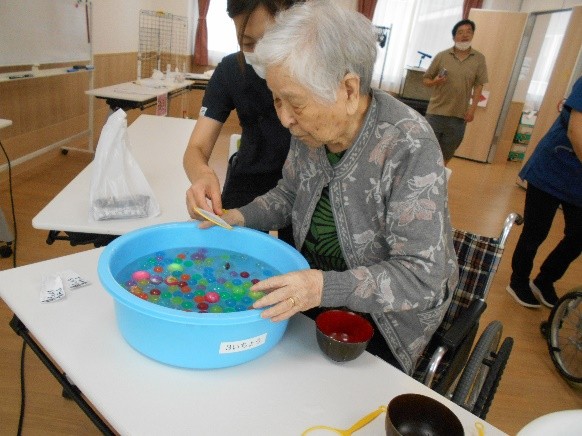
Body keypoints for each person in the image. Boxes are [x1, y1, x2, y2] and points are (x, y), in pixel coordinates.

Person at [194, 0, 459, 375]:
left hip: (381, 321)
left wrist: (320, 288)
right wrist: (236, 217)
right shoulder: (311, 129)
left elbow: (421, 278)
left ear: (349, 90)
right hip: (313, 293)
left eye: (295, 104)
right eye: (277, 99)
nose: (284, 118)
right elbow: (289, 194)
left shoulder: (408, 145)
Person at [183, 0, 303, 245]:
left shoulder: (310, 72)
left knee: (298, 257)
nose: (261, 53)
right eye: (247, 43)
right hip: (249, 178)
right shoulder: (231, 71)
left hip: (301, 185)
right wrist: (202, 175)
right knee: (229, 251)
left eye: (271, 41)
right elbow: (196, 147)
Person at [506, 76, 582, 309]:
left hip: (578, 181)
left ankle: (545, 280)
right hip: (552, 167)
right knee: (536, 231)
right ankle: (518, 280)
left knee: (578, 235)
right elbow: (576, 130)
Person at [422, 19, 488, 165]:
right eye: (460, 32)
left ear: (473, 35)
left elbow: (479, 86)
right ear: (454, 37)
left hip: (459, 116)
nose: (465, 35)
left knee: (448, 152)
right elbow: (425, 80)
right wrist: (435, 82)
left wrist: (472, 110)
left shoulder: (479, 59)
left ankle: (440, 175)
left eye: (468, 32)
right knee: (426, 149)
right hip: (436, 112)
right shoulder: (442, 56)